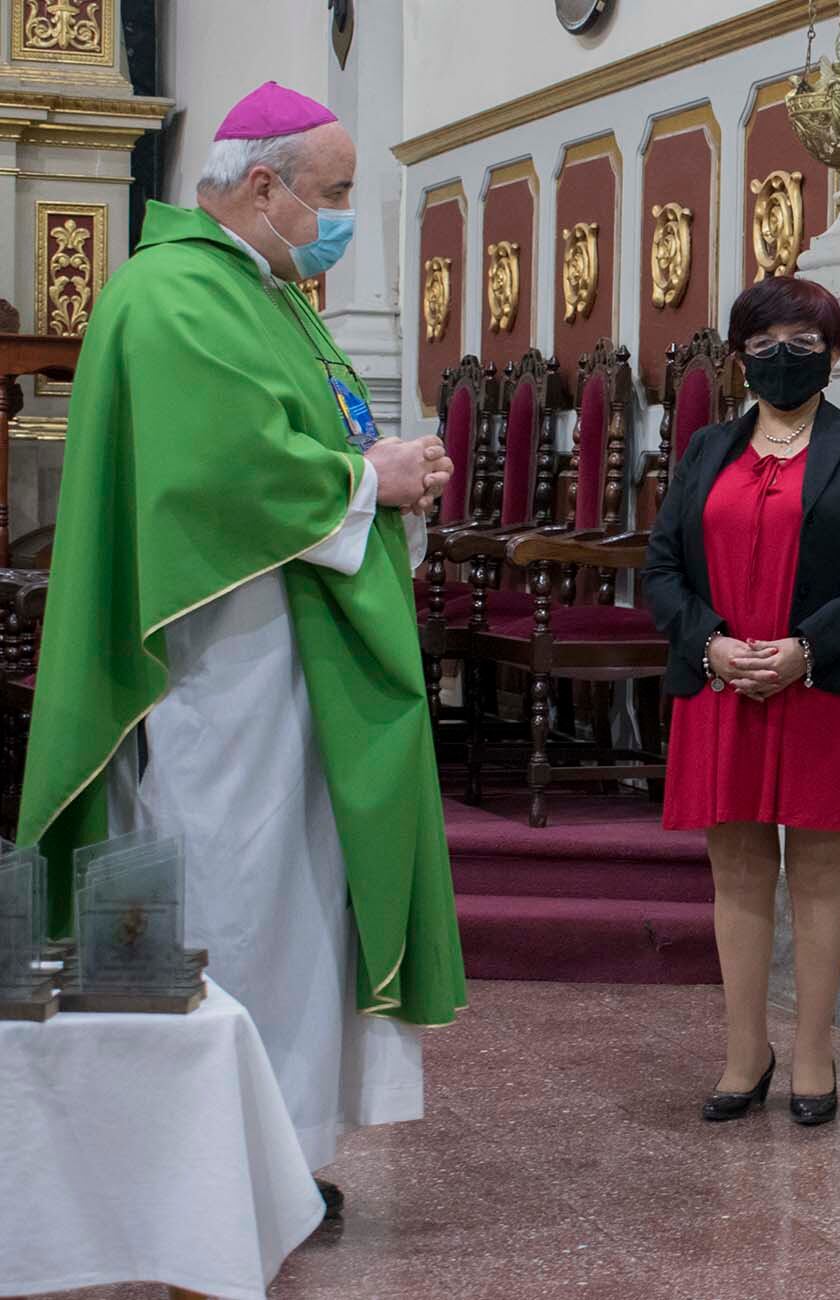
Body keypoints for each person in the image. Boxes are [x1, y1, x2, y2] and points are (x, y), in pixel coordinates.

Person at [18, 82, 467, 1222]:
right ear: (263, 185)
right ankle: (210, 1168)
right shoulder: (176, 297)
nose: (339, 217)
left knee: (291, 901)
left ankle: (270, 1155)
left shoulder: (261, 291)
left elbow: (312, 430)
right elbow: (226, 474)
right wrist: (376, 478)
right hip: (223, 670)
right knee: (233, 895)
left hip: (284, 657)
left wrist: (377, 459)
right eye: (334, 194)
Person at [645, 276, 840, 1128]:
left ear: (834, 354)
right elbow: (661, 567)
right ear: (738, 360)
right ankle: (742, 1052)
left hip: (823, 681)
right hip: (723, 679)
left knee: (819, 871)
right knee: (737, 869)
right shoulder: (705, 451)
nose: (782, 357)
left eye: (803, 341)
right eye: (763, 344)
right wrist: (709, 643)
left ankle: (811, 1052)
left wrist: (806, 649)